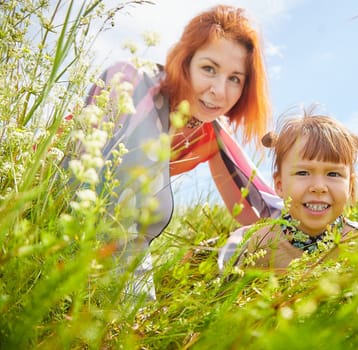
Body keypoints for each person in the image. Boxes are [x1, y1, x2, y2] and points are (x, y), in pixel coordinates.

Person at [68, 5, 282, 300]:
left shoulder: (212, 132)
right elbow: (96, 195)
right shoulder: (130, 83)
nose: (219, 91)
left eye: (235, 78)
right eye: (209, 69)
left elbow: (266, 215)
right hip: (46, 218)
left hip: (115, 264)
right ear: (185, 62)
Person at [220, 109, 358, 272]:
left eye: (333, 174)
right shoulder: (262, 244)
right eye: (303, 173)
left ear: (350, 186)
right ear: (280, 185)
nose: (318, 187)